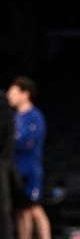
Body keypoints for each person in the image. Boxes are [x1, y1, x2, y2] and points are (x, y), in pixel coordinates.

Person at [7, 76, 51, 239]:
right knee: (21, 211)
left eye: (13, 92)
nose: (9, 96)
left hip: (30, 171)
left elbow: (26, 142)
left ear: (25, 94)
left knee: (34, 208)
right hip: (17, 171)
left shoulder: (34, 116)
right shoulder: (15, 118)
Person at [0, 89, 15, 239]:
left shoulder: (1, 99)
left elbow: (7, 131)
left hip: (1, 162)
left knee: (2, 209)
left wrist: (4, 161)